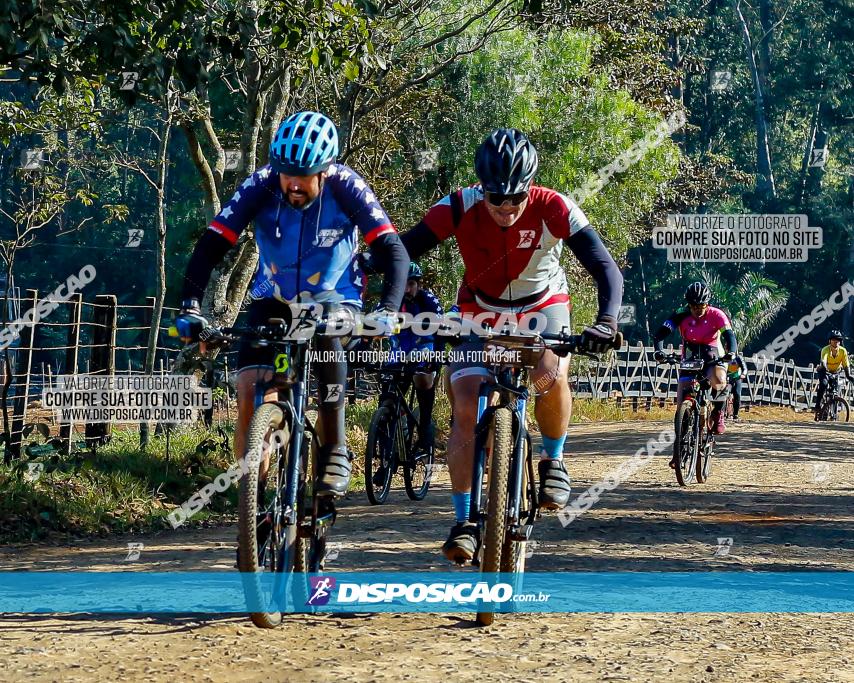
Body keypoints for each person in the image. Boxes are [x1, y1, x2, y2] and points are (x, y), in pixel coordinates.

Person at [398, 128, 623, 564]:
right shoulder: (459, 206)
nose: (505, 207)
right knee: (464, 405)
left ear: (530, 187)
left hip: (543, 304)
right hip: (478, 307)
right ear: (480, 188)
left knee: (550, 374)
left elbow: (605, 267)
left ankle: (553, 459)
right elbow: (404, 249)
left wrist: (606, 321)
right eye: (495, 197)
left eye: (515, 198)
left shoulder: (554, 207)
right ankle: (463, 520)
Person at [175, 111, 407, 497]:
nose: (293, 185)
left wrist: (388, 310)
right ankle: (256, 498)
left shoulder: (347, 186)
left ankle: (334, 449)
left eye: (304, 177)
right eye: (287, 174)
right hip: (275, 299)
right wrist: (191, 307)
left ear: (325, 171)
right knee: (250, 388)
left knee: (327, 335)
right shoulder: (261, 184)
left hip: (336, 299)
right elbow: (211, 244)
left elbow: (392, 249)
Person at [371, 263, 444, 486]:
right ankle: (387, 459)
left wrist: (436, 359)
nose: (406, 289)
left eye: (411, 284)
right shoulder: (390, 300)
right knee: (387, 399)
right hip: (399, 351)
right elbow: (372, 326)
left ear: (418, 284)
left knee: (422, 378)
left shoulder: (428, 301)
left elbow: (442, 331)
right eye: (402, 284)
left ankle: (424, 429)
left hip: (425, 347)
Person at [653, 281, 738, 442]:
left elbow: (729, 335)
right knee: (681, 405)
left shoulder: (717, 315)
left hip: (712, 353)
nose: (697, 310)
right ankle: (679, 451)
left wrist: (731, 352)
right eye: (693, 306)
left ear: (707, 304)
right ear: (688, 305)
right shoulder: (680, 313)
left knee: (719, 381)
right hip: (690, 355)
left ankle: (718, 412)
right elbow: (660, 334)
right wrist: (659, 351)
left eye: (701, 306)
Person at [813, 329, 851, 419]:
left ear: (840, 341)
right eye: (833, 340)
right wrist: (826, 369)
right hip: (824, 370)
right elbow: (824, 361)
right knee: (824, 384)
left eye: (838, 340)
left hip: (836, 372)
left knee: (836, 389)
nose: (836, 342)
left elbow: (846, 365)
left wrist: (849, 376)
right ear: (830, 341)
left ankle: (834, 411)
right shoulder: (825, 350)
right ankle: (818, 405)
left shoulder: (843, 351)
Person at [726, 354, 748, 420]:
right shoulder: (725, 356)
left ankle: (735, 414)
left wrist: (743, 374)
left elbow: (745, 368)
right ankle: (722, 412)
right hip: (727, 379)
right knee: (724, 395)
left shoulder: (738, 358)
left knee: (737, 395)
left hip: (737, 378)